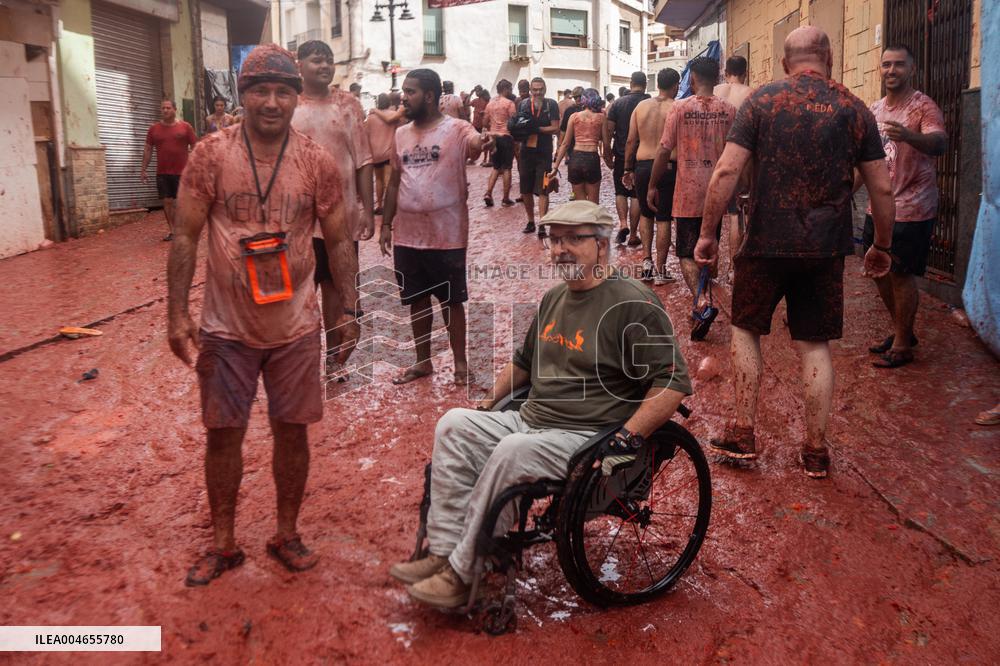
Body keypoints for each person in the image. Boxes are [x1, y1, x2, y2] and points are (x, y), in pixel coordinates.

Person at [388, 200, 693, 608]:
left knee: (513, 452)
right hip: (532, 420)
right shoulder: (554, 298)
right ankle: (442, 552)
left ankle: (463, 572)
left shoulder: (633, 303)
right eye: (555, 239)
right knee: (454, 424)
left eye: (573, 239)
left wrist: (629, 435)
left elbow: (672, 382)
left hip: (587, 434)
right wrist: (488, 402)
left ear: (602, 247)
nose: (560, 249)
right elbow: (523, 364)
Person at [167, 44, 360, 585]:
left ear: (296, 98)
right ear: (242, 94)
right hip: (225, 327)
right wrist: (175, 315)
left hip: (296, 325)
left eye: (282, 91)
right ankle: (224, 544)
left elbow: (340, 238)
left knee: (292, 430)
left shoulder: (315, 161)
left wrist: (349, 308)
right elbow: (183, 235)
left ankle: (286, 532)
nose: (271, 102)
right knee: (223, 432)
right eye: (259, 90)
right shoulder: (210, 154)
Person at [694, 26, 895, 478]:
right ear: (830, 56)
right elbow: (881, 186)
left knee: (746, 330)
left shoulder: (762, 102)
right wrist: (881, 244)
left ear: (786, 63)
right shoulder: (853, 107)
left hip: (765, 242)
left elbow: (727, 170)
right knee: (814, 344)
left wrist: (707, 234)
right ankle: (816, 452)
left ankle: (744, 431)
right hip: (824, 249)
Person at [379, 69, 494, 385]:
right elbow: (393, 183)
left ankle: (460, 366)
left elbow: (473, 142)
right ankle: (422, 361)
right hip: (408, 234)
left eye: (411, 91)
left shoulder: (456, 128)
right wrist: (386, 224)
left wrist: (482, 141)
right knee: (416, 299)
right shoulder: (400, 134)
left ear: (429, 96)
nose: (405, 97)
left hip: (448, 234)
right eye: (404, 91)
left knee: (451, 301)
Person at [861, 44, 948, 369]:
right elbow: (864, 162)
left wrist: (910, 136)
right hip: (879, 206)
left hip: (913, 206)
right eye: (886, 65)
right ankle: (903, 330)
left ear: (911, 69)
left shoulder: (923, 107)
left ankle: (902, 344)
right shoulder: (874, 110)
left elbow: (939, 143)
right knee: (877, 270)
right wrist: (845, 193)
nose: (891, 70)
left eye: (899, 65)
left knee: (900, 274)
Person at [291, 41, 374, 370]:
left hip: (341, 217)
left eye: (328, 61)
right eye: (316, 61)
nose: (324, 66)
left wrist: (368, 208)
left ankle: (334, 359)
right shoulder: (289, 105)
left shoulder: (348, 104)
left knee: (337, 289)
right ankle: (299, 359)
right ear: (300, 65)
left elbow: (363, 160)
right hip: (297, 219)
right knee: (299, 290)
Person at [649, 57, 734, 341]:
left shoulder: (680, 108)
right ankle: (704, 299)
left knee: (686, 253)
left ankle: (701, 302)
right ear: (718, 77)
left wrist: (652, 184)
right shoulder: (729, 110)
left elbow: (663, 151)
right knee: (708, 248)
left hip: (687, 191)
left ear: (693, 79)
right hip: (717, 191)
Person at [623, 67, 680, 286]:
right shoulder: (677, 107)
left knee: (646, 215)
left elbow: (630, 141)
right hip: (667, 166)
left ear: (658, 85)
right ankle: (661, 270)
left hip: (643, 165)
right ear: (675, 85)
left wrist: (627, 168)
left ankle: (647, 263)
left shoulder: (641, 106)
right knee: (664, 217)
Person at [714, 55, 754, 265]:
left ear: (725, 72)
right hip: (739, 159)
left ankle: (709, 266)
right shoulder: (750, 93)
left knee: (711, 215)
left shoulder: (714, 91)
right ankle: (733, 267)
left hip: (713, 158)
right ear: (745, 72)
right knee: (735, 214)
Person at [141, 99, 197, 241]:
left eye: (168, 108)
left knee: (181, 202)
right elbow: (148, 149)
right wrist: (143, 169)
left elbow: (196, 146)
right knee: (167, 201)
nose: (165, 110)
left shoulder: (185, 127)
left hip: (182, 172)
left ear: (175, 109)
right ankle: (172, 231)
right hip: (163, 172)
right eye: (163, 108)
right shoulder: (154, 129)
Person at [604, 72, 649, 247]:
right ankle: (633, 234)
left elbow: (608, 132)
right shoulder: (648, 102)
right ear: (645, 84)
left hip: (621, 154)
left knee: (620, 191)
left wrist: (607, 153)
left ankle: (623, 224)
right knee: (636, 195)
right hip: (642, 155)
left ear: (630, 83)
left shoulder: (617, 104)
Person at [516, 77, 561, 237]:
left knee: (543, 188)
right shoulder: (523, 104)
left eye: (540, 89)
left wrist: (538, 129)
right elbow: (518, 125)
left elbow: (555, 128)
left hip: (544, 153)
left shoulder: (551, 105)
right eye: (534, 89)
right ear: (530, 90)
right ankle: (530, 221)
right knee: (525, 189)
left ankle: (542, 223)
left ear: (545, 89)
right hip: (526, 152)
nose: (537, 92)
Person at [549, 89, 606, 204]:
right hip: (592, 159)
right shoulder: (601, 118)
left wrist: (555, 167)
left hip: (575, 159)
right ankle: (592, 222)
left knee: (580, 204)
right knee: (593, 204)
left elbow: (565, 144)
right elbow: (606, 142)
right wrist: (609, 161)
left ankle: (582, 221)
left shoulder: (574, 117)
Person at [483, 79, 517, 208]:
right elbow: (513, 122)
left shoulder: (490, 104)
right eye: (510, 89)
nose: (511, 91)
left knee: (496, 167)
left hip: (493, 138)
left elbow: (485, 122)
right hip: (505, 136)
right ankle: (505, 198)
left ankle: (488, 193)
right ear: (506, 89)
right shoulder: (509, 103)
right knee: (507, 168)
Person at [366, 93, 400, 215]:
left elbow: (366, 134)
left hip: (375, 153)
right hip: (389, 152)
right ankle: (389, 206)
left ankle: (379, 205)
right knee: (388, 181)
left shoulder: (371, 118)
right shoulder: (393, 115)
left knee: (379, 180)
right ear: (389, 102)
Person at [469, 88, 491, 166]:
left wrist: (484, 112)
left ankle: (486, 159)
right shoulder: (476, 101)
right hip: (481, 125)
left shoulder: (488, 102)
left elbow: (490, 112)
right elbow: (467, 103)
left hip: (485, 126)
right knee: (484, 141)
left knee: (485, 141)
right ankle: (483, 159)